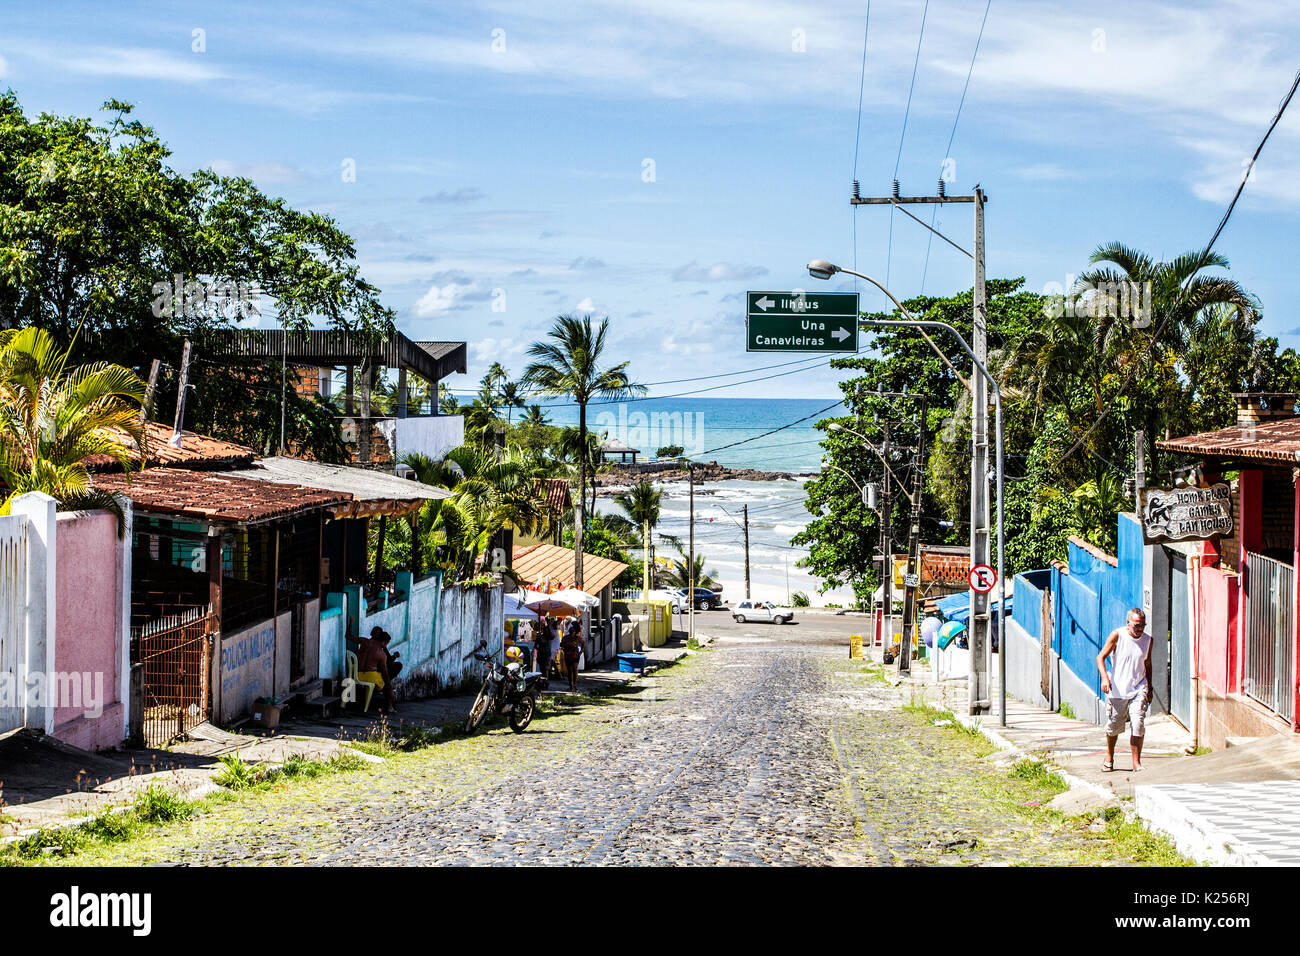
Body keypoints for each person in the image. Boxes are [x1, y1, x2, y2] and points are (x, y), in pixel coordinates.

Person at [1096, 607, 1153, 772]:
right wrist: (1105, 678)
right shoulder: (1117, 635)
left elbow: (1147, 664)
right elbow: (1100, 657)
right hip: (1118, 689)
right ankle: (1109, 756)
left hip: (1139, 687)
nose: (1140, 629)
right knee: (1114, 727)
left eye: (1143, 625)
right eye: (1136, 625)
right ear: (1128, 623)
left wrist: (1149, 687)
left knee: (1138, 723)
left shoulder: (1148, 640)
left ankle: (1136, 763)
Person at [355, 626, 398, 713]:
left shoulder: (365, 642)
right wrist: (389, 687)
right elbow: (384, 670)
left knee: (386, 676)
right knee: (386, 683)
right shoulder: (380, 651)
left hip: (357, 674)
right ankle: (389, 707)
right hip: (370, 676)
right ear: (383, 642)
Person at [560, 618, 583, 693]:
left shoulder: (577, 638)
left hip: (575, 655)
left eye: (573, 631)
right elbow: (561, 645)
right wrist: (564, 649)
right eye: (571, 631)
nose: (572, 632)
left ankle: (574, 686)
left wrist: (580, 652)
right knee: (570, 670)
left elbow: (583, 643)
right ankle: (571, 685)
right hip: (568, 655)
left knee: (575, 670)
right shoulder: (565, 638)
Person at [534, 611, 554, 687]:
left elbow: (552, 635)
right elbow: (536, 646)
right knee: (542, 670)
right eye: (544, 630)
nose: (545, 631)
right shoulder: (539, 636)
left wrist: (548, 625)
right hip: (541, 655)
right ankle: (544, 681)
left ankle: (546, 681)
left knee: (546, 669)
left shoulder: (549, 637)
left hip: (547, 655)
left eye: (546, 630)